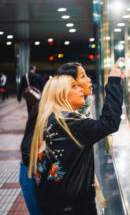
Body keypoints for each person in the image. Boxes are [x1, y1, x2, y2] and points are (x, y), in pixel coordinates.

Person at [28, 58, 124, 214]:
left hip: (54, 204)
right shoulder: (68, 122)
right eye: (74, 86)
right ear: (61, 94)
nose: (80, 88)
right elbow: (109, 123)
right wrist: (113, 81)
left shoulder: (51, 117)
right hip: (72, 207)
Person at [19, 63, 94, 214]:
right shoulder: (53, 113)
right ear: (67, 84)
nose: (89, 80)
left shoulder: (79, 108)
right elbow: (29, 152)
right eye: (83, 76)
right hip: (33, 177)